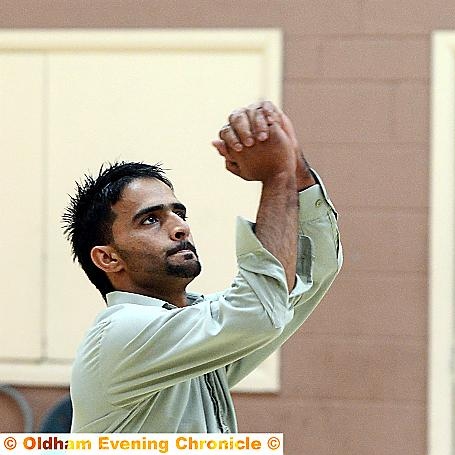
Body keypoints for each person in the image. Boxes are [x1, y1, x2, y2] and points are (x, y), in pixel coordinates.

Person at [65, 101, 342, 432]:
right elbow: (258, 313)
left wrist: (295, 168)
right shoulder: (123, 333)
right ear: (108, 258)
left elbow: (311, 272)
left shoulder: (189, 330)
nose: (180, 226)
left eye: (178, 213)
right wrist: (276, 175)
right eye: (150, 219)